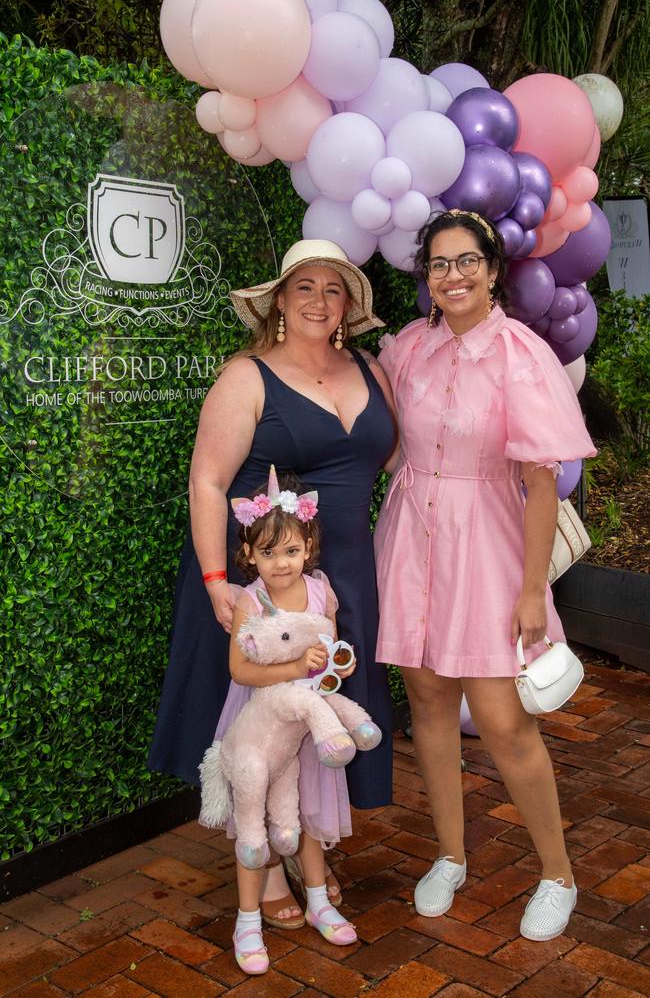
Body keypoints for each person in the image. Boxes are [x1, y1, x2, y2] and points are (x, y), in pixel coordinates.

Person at [148, 239, 397, 927]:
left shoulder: (372, 369)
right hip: (270, 583)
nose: (320, 300)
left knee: (322, 711)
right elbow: (208, 481)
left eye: (334, 289)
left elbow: (406, 462)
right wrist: (216, 581)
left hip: (345, 576)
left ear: (349, 304)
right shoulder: (247, 375)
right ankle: (264, 860)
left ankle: (305, 846)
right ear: (280, 301)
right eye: (305, 287)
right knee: (264, 722)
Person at [374, 209, 596, 942]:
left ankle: (558, 873)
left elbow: (540, 482)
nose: (454, 276)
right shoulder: (407, 349)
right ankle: (449, 853)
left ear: (493, 269)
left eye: (467, 261)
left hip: (490, 547)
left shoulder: (519, 355)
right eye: (439, 264)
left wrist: (534, 588)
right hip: (412, 539)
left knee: (504, 722)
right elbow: (383, 441)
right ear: (426, 278)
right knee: (430, 705)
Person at [214, 468, 361, 974]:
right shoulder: (250, 601)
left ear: (308, 547)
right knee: (255, 819)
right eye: (269, 553)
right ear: (249, 553)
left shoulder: (321, 591)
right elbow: (239, 668)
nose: (282, 563)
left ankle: (318, 900)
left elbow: (332, 652)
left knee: (311, 815)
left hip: (311, 723)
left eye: (292, 551)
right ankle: (248, 920)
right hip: (261, 724)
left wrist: (337, 665)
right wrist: (297, 667)